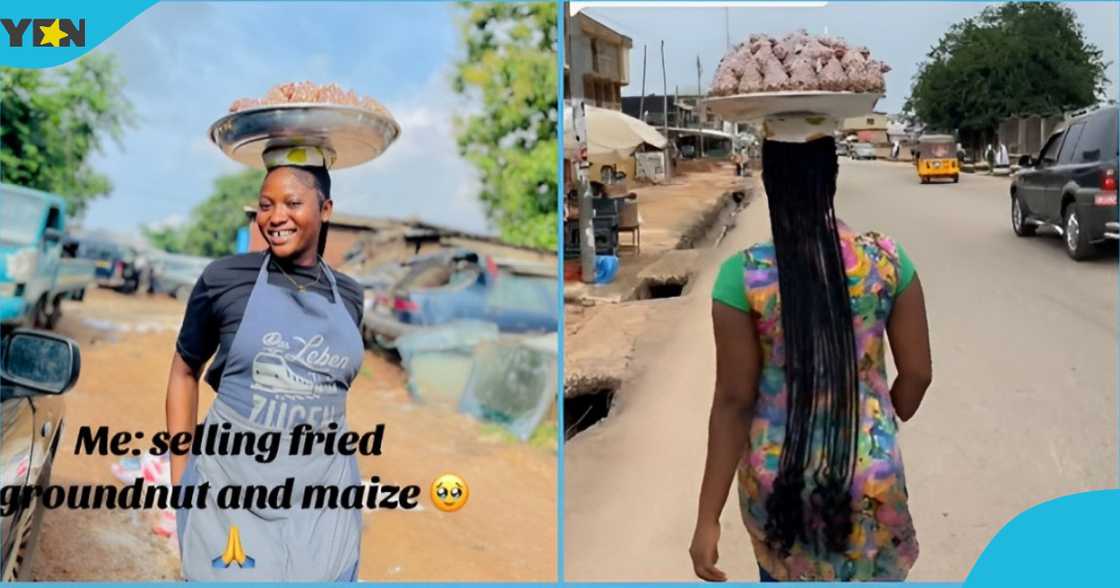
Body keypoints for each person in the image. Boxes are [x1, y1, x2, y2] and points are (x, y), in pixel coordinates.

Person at [689, 135, 932, 582]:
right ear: (832, 178)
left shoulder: (744, 276)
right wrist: (879, 413)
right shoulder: (887, 260)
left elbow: (734, 402)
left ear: (770, 182)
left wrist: (708, 518)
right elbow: (917, 375)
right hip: (871, 485)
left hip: (781, 494)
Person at [166, 154, 366, 581]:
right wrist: (181, 478)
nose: (275, 217)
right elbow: (184, 371)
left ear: (325, 209)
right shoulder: (225, 280)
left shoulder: (350, 296)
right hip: (231, 488)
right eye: (265, 205)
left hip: (323, 497)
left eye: (292, 203)